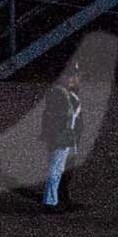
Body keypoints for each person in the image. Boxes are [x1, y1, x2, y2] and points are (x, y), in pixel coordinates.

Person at [39, 63, 84, 211]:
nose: (73, 78)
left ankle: (60, 199)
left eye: (74, 76)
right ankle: (50, 202)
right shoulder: (57, 92)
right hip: (62, 135)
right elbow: (56, 118)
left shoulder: (66, 92)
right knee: (56, 168)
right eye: (70, 76)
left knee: (65, 169)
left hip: (68, 134)